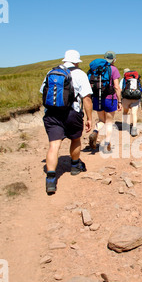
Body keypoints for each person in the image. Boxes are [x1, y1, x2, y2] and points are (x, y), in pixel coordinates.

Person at [40, 50, 93, 195]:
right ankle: (75, 166)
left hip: (52, 114)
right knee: (75, 139)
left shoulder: (52, 72)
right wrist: (89, 118)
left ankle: (51, 179)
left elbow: (43, 92)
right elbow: (86, 98)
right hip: (71, 113)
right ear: (77, 61)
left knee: (54, 144)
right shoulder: (80, 74)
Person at [88, 51, 122, 154]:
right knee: (109, 122)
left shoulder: (93, 70)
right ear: (114, 60)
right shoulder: (113, 69)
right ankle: (107, 144)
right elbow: (116, 87)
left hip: (97, 98)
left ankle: (95, 131)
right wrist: (119, 101)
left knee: (101, 120)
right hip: (110, 98)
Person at [120, 68, 141, 137]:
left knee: (125, 112)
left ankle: (125, 125)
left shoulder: (123, 80)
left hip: (126, 99)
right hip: (135, 97)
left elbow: (120, 89)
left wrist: (120, 100)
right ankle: (134, 129)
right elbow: (140, 88)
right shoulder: (136, 78)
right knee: (134, 113)